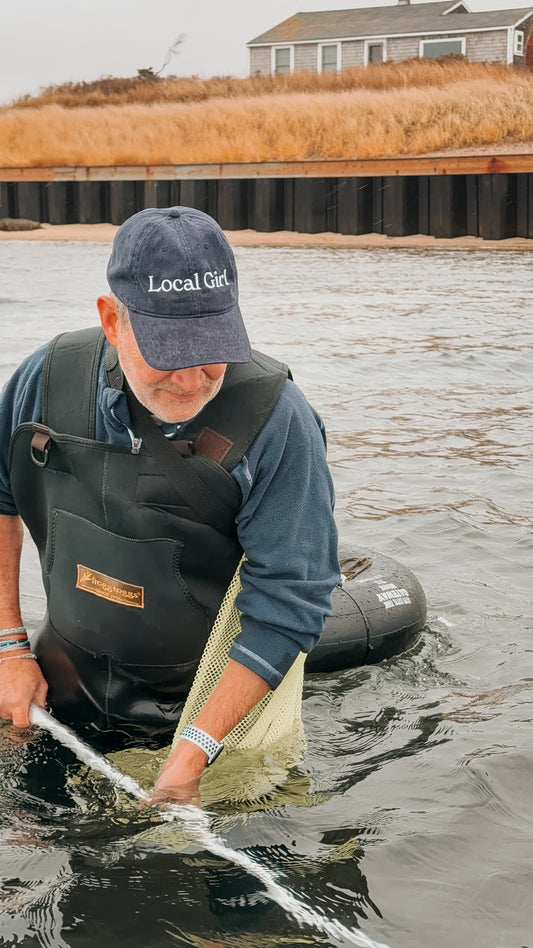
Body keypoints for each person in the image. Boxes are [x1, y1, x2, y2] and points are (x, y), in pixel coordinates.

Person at [0, 205, 340, 802]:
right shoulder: (45, 377)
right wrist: (8, 646)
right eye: (167, 348)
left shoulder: (279, 422)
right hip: (61, 690)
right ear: (112, 321)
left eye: (210, 346)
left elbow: (289, 600)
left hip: (208, 718)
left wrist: (194, 754)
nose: (190, 378)